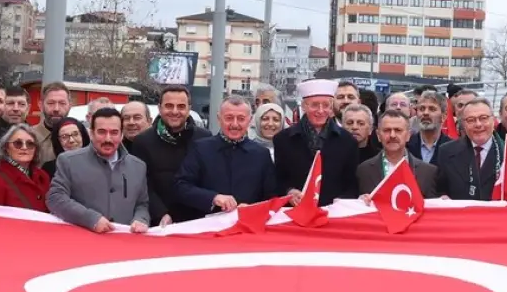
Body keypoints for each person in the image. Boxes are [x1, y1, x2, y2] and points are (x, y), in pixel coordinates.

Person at [47, 107, 149, 233]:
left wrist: (141, 219)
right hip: (82, 239)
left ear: (121, 135)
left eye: (114, 132)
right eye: (101, 132)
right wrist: (90, 219)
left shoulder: (138, 166)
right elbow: (55, 198)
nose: (108, 139)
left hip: (124, 241)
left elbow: (142, 204)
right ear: (91, 133)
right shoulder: (69, 161)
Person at [175, 96, 279, 214]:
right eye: (229, 118)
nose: (234, 124)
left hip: (248, 222)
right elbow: (181, 187)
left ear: (250, 121)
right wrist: (213, 198)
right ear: (219, 119)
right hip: (207, 222)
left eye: (241, 119)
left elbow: (272, 197)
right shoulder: (200, 148)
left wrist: (254, 208)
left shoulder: (261, 154)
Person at [131, 85, 211, 226]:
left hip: (197, 220)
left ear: (189, 109)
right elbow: (142, 184)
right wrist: (160, 213)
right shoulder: (142, 141)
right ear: (159, 108)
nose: (175, 111)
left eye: (181, 106)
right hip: (158, 222)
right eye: (169, 106)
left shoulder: (204, 138)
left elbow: (209, 179)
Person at [275, 78, 360, 206]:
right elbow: (277, 179)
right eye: (315, 105)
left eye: (326, 105)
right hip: (295, 211)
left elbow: (351, 185)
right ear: (304, 106)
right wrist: (289, 192)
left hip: (333, 213)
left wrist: (339, 203)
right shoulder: (283, 140)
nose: (320, 111)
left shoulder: (348, 141)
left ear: (331, 107)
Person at [436, 99, 507, 202]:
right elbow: (439, 190)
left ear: (493, 120)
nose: (478, 124)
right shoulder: (446, 152)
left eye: (483, 118)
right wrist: (442, 198)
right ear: (463, 124)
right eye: (471, 120)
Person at [357, 110, 438, 198]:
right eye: (387, 130)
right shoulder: (364, 171)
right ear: (378, 135)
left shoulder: (428, 172)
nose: (392, 135)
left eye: (398, 130)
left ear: (408, 135)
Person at [0, 124, 50, 211]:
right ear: (6, 148)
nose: (24, 148)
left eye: (30, 144)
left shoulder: (43, 176)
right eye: (18, 143)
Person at [30, 82, 72, 165]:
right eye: (51, 103)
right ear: (41, 105)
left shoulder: (82, 138)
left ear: (70, 106)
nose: (56, 109)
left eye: (62, 103)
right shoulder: (28, 136)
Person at [407, 89, 446, 165]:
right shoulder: (406, 145)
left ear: (443, 116)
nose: (425, 113)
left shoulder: (453, 149)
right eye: (422, 109)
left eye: (432, 109)